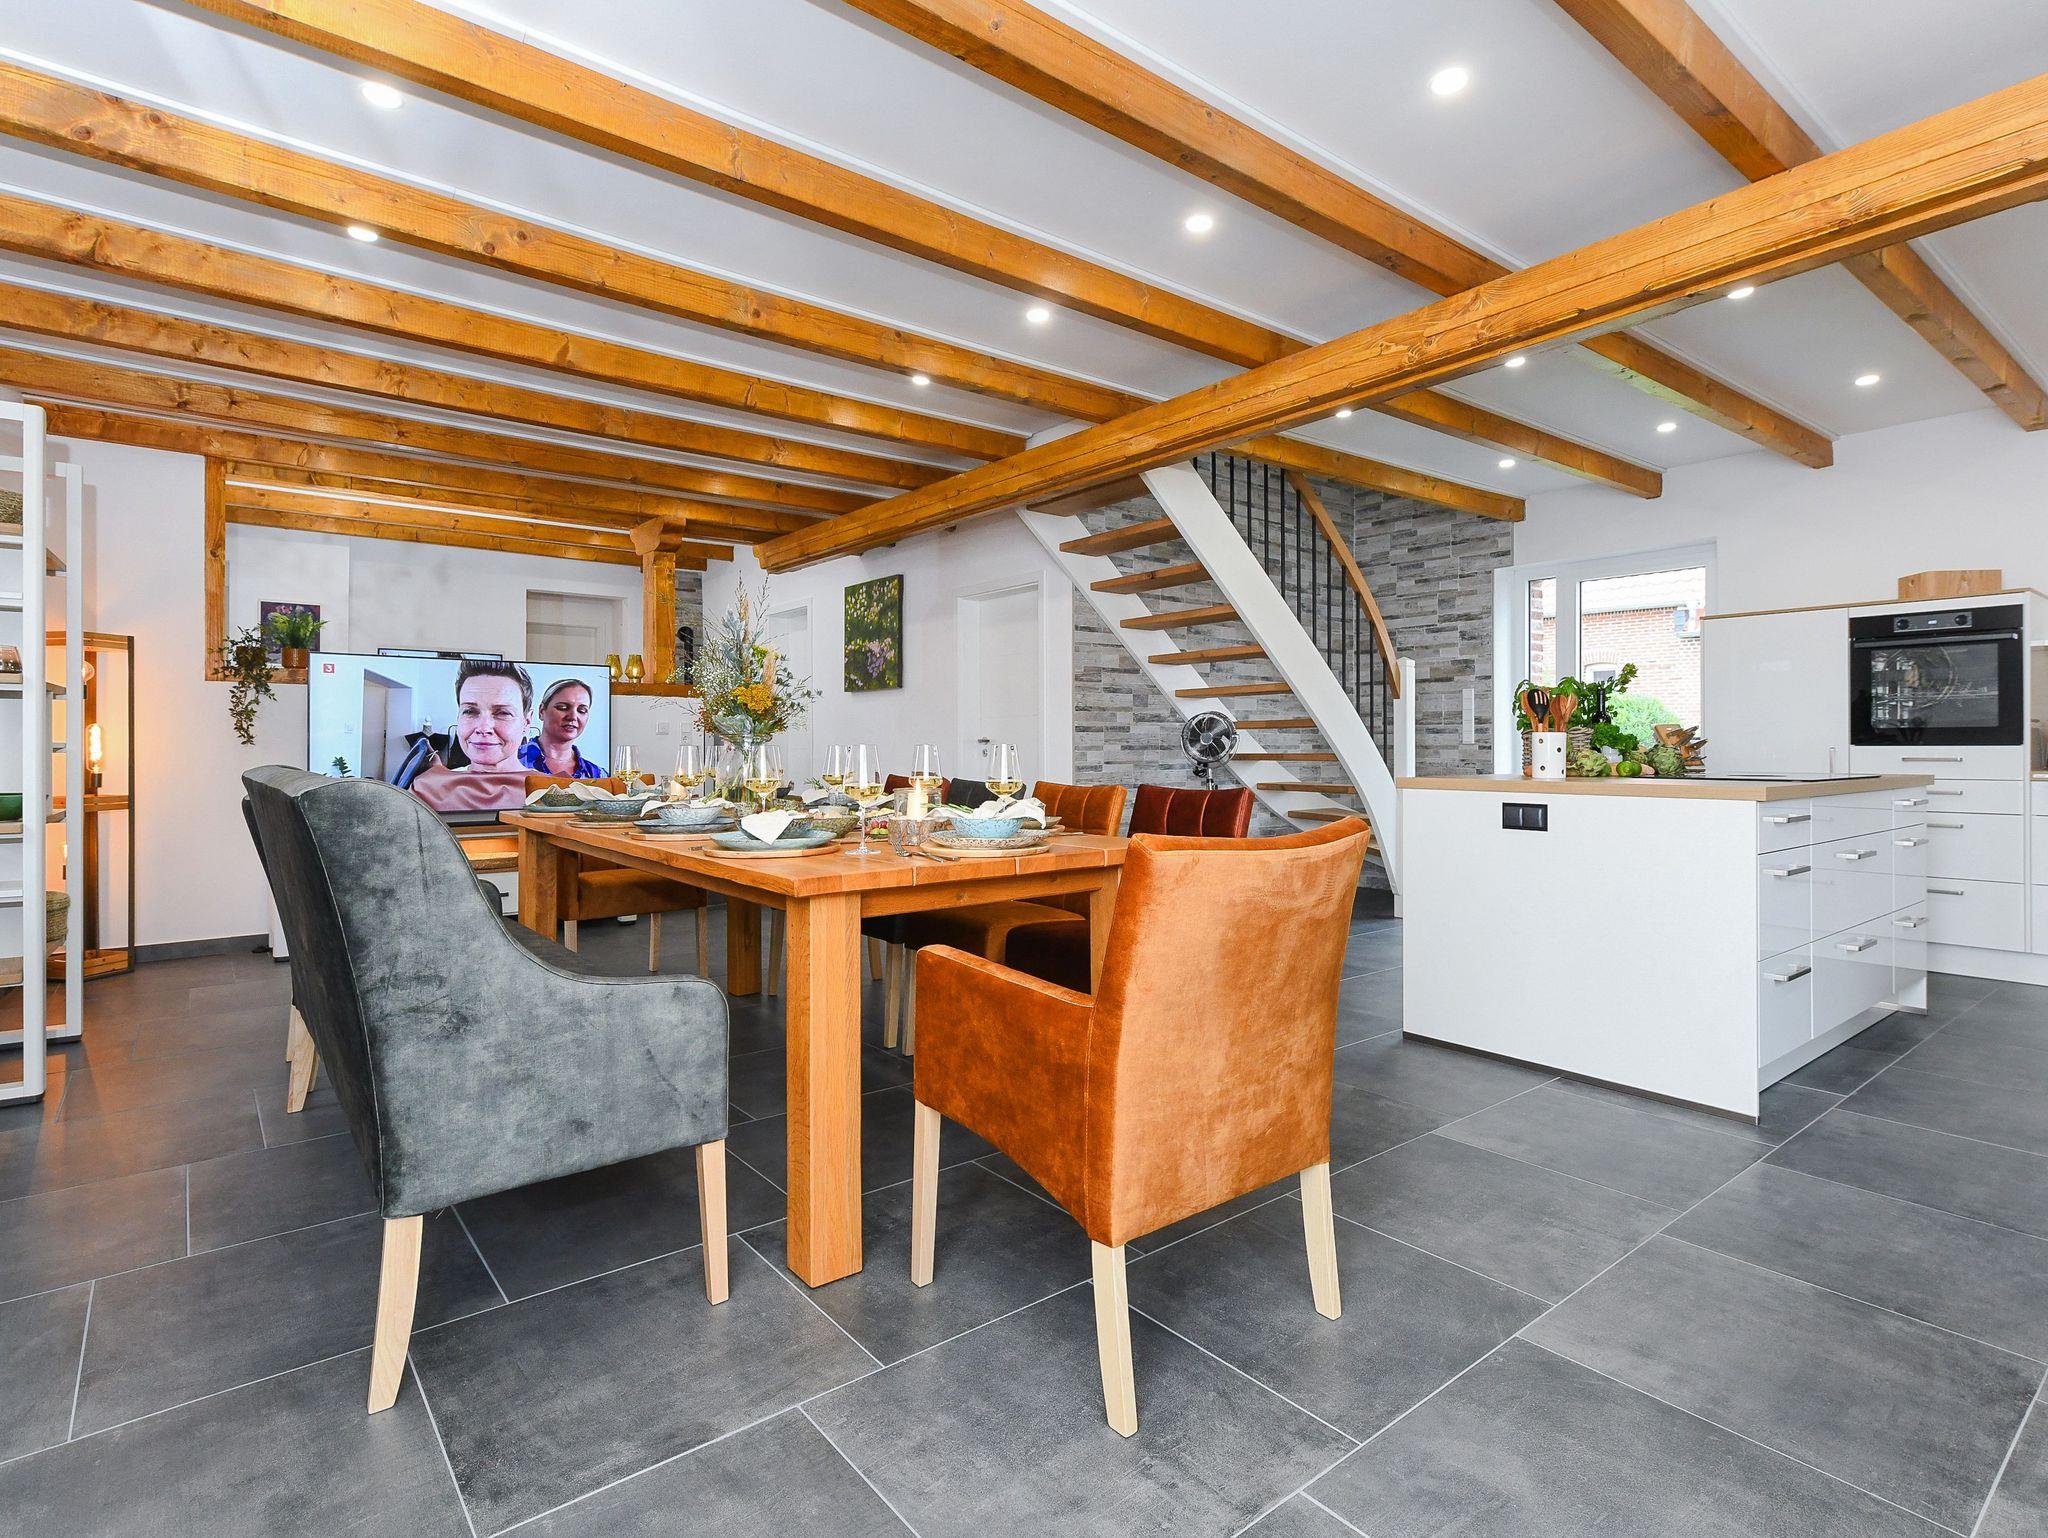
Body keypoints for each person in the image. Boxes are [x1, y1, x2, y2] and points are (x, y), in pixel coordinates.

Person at [452, 660, 534, 772]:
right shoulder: (437, 782)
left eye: (503, 713)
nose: (483, 728)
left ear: (527, 722)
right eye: (469, 711)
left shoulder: (546, 783)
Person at [519, 676, 608, 778]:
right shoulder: (510, 761)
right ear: (541, 711)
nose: (573, 716)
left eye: (582, 710)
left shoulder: (598, 775)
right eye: (563, 707)